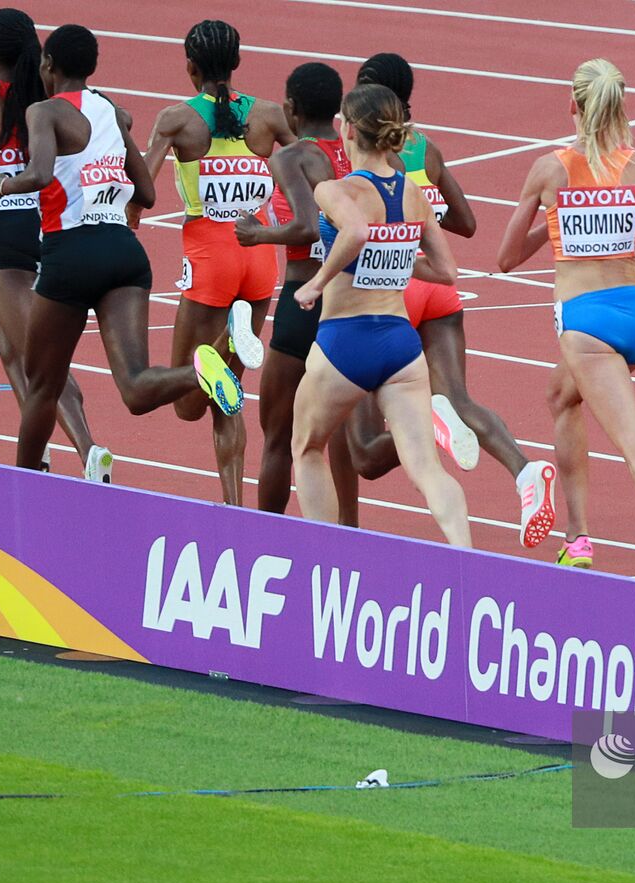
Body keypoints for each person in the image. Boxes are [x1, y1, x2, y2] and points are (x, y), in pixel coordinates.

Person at [0, 24, 239, 473]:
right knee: (136, 387)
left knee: (42, 385)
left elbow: (39, 173)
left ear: (49, 66)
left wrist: (2, 184)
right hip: (125, 256)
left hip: (71, 254)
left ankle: (21, 486)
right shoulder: (112, 114)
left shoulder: (45, 111)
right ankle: (202, 370)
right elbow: (147, 194)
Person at [497, 58, 635, 587]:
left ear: (573, 104)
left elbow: (504, 258)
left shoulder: (549, 170)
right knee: (561, 397)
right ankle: (578, 535)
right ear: (621, 106)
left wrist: (557, 219)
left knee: (633, 440)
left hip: (586, 323)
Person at [348, 52, 558, 550]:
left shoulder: (364, 156)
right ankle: (526, 472)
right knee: (459, 399)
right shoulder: (427, 150)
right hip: (439, 288)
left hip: (388, 288)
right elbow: (466, 224)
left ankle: (428, 424)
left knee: (363, 450)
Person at [0, 8, 109, 481]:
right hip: (51, 225)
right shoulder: (47, 97)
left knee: (42, 359)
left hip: (4, 239)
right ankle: (40, 452)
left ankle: (91, 453)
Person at [290, 84, 470, 547]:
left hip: (345, 341)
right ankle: (466, 555)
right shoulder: (413, 194)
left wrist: (316, 283)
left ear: (348, 130)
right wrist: (402, 257)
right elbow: (447, 272)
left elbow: (355, 230)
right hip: (400, 344)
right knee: (426, 468)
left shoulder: (334, 188)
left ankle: (325, 558)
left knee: (307, 447)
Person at [132, 20, 294, 505]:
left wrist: (127, 219)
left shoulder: (176, 119)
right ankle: (234, 509)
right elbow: (313, 164)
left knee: (187, 402)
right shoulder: (268, 115)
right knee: (227, 392)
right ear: (238, 62)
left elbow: (142, 190)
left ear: (190, 67)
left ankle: (226, 337)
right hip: (261, 258)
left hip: (211, 259)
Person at [234, 62, 358, 521]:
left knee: (279, 436)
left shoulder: (292, 157)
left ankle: (268, 535)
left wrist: (256, 235)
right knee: (342, 433)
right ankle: (349, 534)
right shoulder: (353, 150)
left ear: (290, 108)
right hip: (351, 296)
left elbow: (306, 227)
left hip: (303, 298)